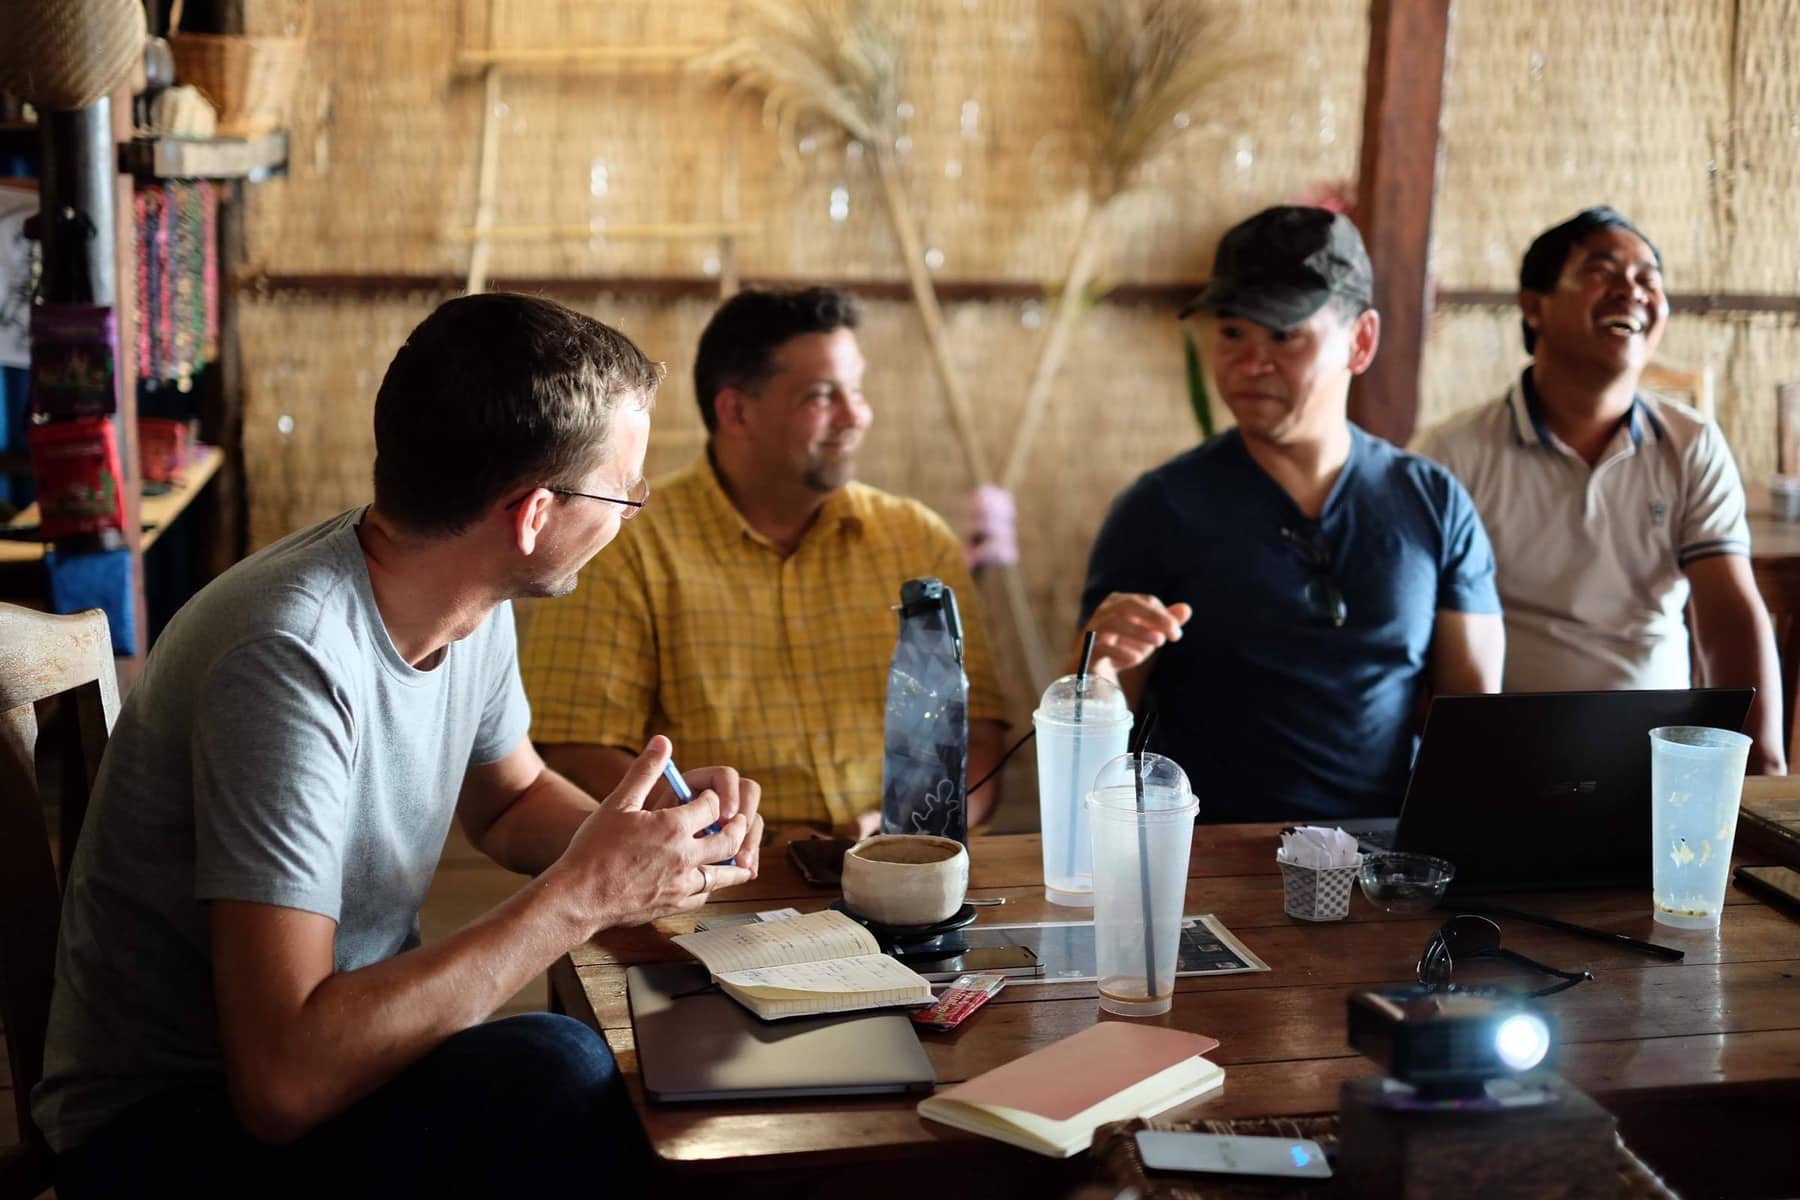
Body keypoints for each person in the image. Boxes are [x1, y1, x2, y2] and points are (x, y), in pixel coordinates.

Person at [34, 293, 765, 1196]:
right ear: (532, 514)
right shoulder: (288, 662)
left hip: (340, 1065)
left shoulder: (462, 588)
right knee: (562, 1072)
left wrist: (654, 843)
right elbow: (283, 1085)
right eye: (625, 493)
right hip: (175, 1126)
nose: (628, 515)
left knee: (614, 1066)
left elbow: (510, 799)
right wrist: (581, 896)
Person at [520, 286, 1008, 835]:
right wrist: (732, 837)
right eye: (823, 397)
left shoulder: (916, 540)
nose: (857, 416)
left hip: (909, 870)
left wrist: (910, 829)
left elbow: (980, 734)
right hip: (713, 887)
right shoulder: (627, 546)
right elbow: (573, 747)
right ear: (737, 412)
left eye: (856, 390)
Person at [1078, 206, 1504, 823]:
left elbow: (1474, 724)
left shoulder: (1432, 504)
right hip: (1209, 862)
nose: (1252, 363)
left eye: (1284, 335)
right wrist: (1097, 668)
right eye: (1232, 334)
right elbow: (1097, 734)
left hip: (1383, 862)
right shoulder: (1160, 508)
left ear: (1361, 341)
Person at [1416, 206, 1786, 773]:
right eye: (1602, 271)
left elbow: (1728, 615)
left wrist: (1761, 766)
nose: (1631, 291)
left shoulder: (1690, 445)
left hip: (1657, 761)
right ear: (1533, 306)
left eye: (1647, 278)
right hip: (1505, 760)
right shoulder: (1452, 454)